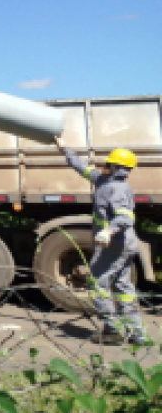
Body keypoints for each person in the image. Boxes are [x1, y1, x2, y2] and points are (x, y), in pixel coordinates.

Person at [55, 137, 148, 345]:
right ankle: (136, 333)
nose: (103, 165)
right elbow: (81, 168)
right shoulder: (103, 181)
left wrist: (108, 231)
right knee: (123, 287)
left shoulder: (118, 189)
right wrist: (64, 148)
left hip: (115, 246)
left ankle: (112, 330)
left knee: (97, 284)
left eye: (108, 163)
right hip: (122, 245)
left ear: (116, 167)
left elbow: (124, 217)